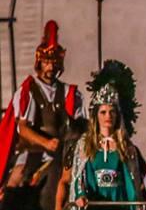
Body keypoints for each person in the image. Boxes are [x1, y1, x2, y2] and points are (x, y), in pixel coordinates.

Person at [0, 20, 84, 193]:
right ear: (39, 62)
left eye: (54, 62)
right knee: (15, 184)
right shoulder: (29, 90)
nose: (51, 67)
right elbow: (23, 128)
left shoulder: (69, 93)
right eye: (46, 62)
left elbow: (80, 126)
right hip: (34, 154)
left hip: (63, 155)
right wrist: (46, 143)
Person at [55, 60, 142, 210]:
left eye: (112, 112)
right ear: (96, 115)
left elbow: (132, 182)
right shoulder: (84, 145)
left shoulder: (126, 146)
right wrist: (80, 196)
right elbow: (78, 178)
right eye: (103, 112)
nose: (108, 116)